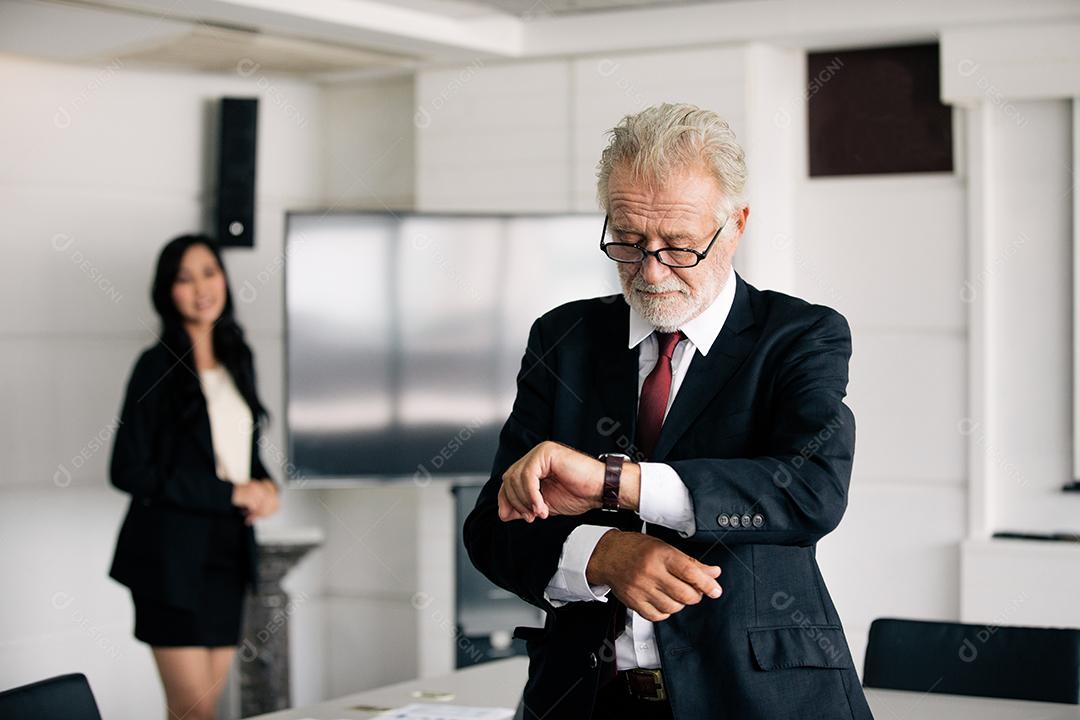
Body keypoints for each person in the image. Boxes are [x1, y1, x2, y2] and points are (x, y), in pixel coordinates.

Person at [464, 103, 874, 720]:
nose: (650, 271)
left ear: (734, 225)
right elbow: (493, 530)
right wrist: (601, 556)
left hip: (756, 700)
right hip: (583, 701)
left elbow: (811, 492)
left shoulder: (798, 335)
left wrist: (616, 485)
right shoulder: (563, 337)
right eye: (627, 241)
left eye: (679, 246)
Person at [108, 234, 281, 720]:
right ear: (167, 292)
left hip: (227, 555)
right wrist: (230, 492)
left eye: (209, 272)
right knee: (193, 712)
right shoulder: (155, 367)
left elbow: (240, 457)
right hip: (169, 559)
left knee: (210, 708)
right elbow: (128, 470)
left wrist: (266, 488)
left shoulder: (237, 360)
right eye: (184, 279)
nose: (201, 287)